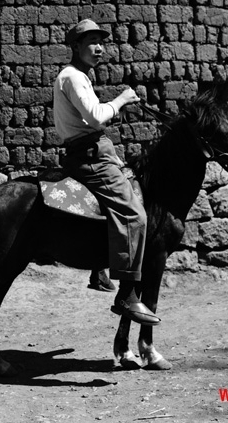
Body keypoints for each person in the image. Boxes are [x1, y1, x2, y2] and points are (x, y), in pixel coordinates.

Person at [53, 19, 160, 326]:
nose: (99, 47)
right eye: (91, 42)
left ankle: (100, 268)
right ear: (76, 46)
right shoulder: (72, 77)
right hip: (91, 157)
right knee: (136, 216)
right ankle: (127, 295)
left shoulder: (78, 76)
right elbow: (96, 115)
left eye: (101, 42)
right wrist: (122, 100)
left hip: (95, 151)